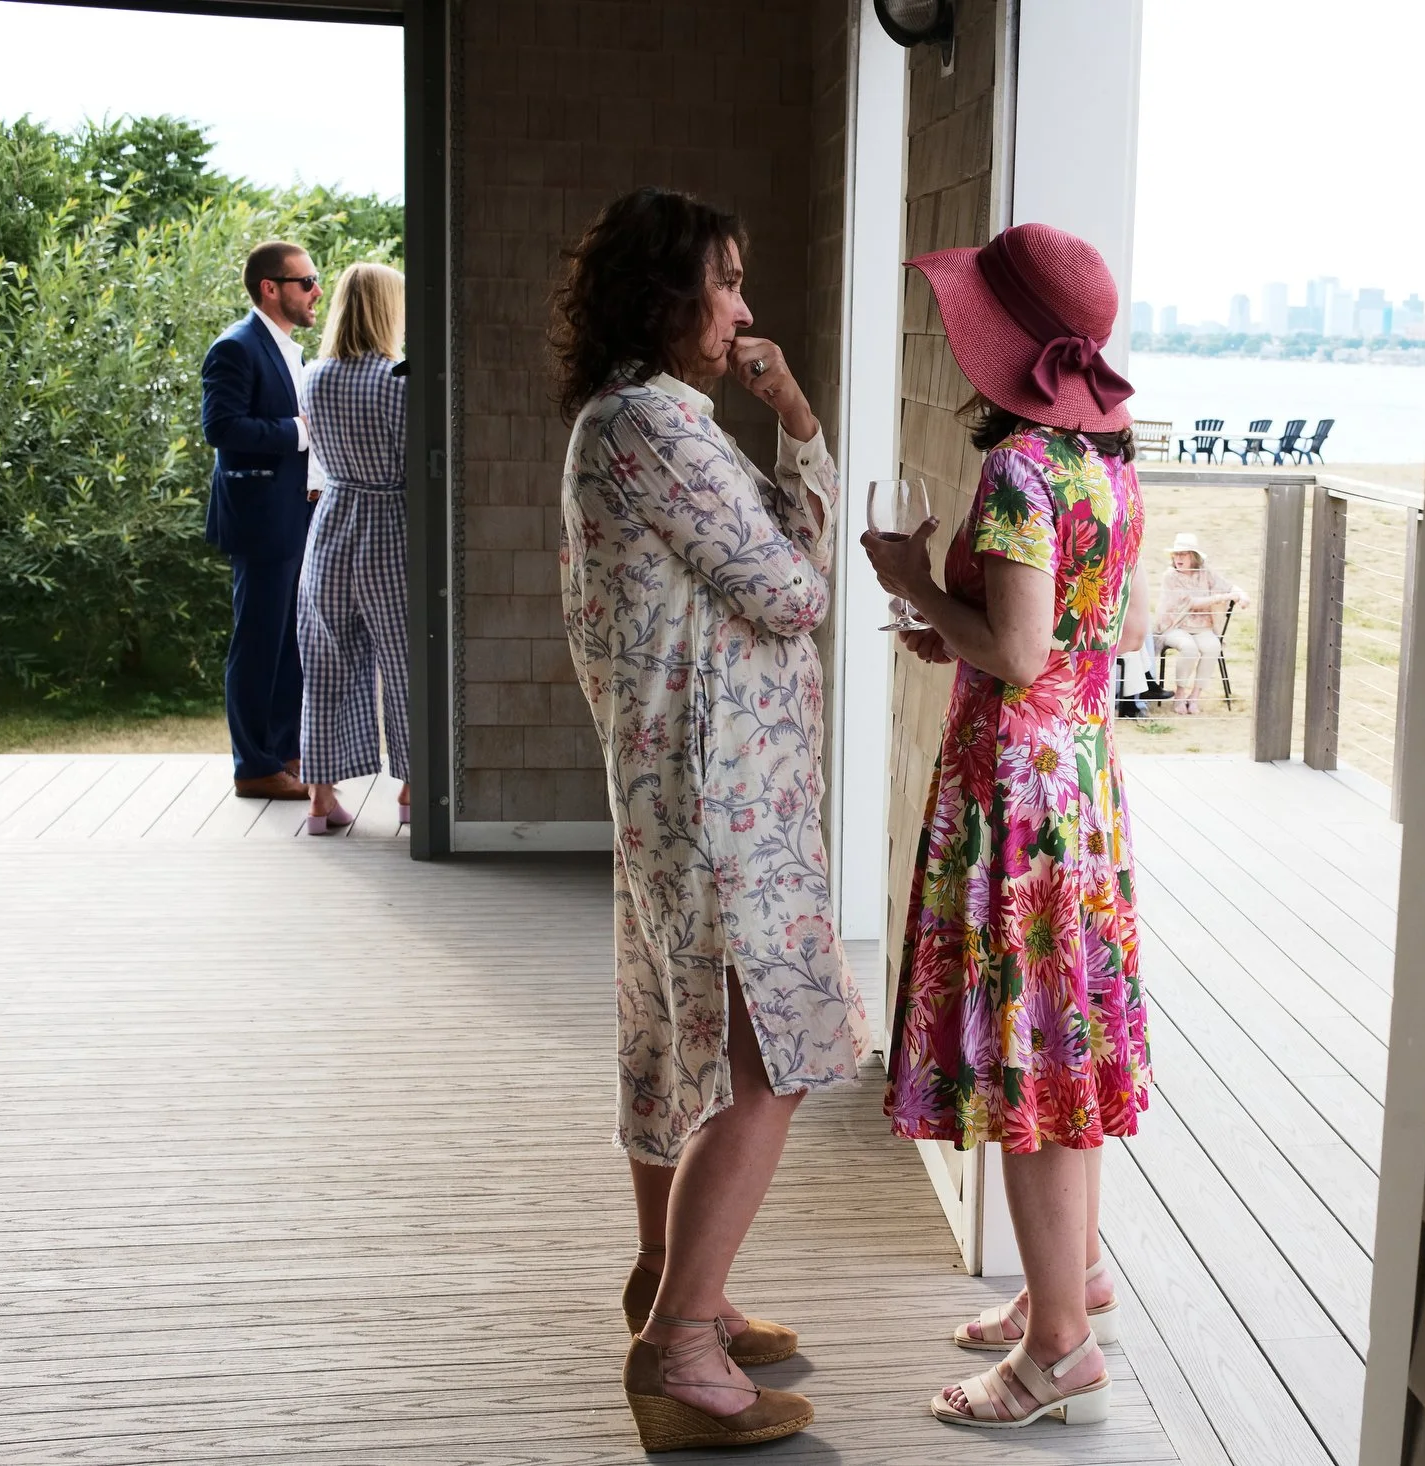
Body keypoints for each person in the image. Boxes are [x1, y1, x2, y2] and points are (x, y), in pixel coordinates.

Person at [553, 186, 867, 1453]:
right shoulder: (651, 426)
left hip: (690, 784)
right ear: (665, 296)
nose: (744, 309)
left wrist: (792, 421)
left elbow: (774, 566)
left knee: (676, 1028)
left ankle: (670, 1279)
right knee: (763, 1051)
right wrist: (796, 443)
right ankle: (679, 1347)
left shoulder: (648, 418)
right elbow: (796, 591)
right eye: (724, 283)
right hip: (721, 790)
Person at [863, 221, 1150, 1431]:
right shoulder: (1109, 461)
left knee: (1032, 1058)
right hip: (1078, 781)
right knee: (1062, 1047)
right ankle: (1067, 1280)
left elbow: (1021, 651)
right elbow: (1100, 638)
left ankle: (1058, 1352)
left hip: (1017, 805)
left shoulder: (1023, 470)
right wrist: (965, 634)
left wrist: (911, 578)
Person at [202, 240, 321, 799]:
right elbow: (221, 429)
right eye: (306, 282)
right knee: (257, 641)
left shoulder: (291, 349)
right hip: (258, 518)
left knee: (289, 641)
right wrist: (298, 431)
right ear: (271, 288)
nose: (316, 291)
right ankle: (253, 767)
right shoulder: (236, 347)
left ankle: (284, 753)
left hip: (295, 514)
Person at [296, 263, 411, 834]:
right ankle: (415, 793)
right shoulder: (397, 380)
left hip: (331, 524)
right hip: (388, 525)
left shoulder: (314, 375)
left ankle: (320, 802)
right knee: (409, 664)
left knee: (325, 664)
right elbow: (415, 466)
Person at [1155, 531, 1246, 714]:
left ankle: (1195, 695)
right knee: (1189, 648)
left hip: (1202, 627)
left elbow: (1228, 585)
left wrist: (1242, 595)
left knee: (1213, 646)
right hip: (1175, 626)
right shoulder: (1170, 576)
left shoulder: (1205, 572)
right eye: (1176, 554)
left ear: (1193, 556)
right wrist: (1225, 597)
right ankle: (1180, 693)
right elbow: (1192, 603)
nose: (1178, 558)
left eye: (1183, 554)